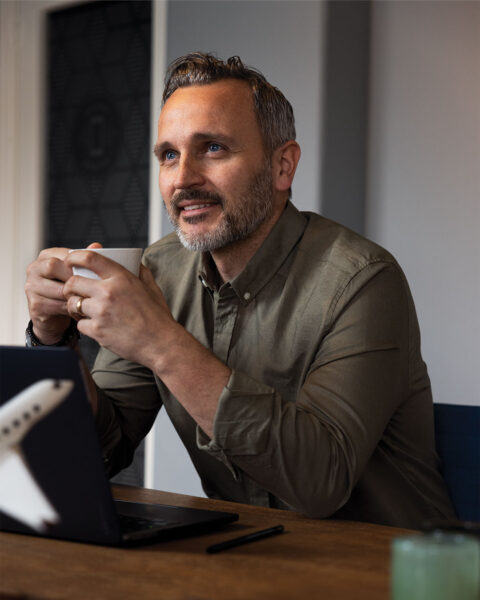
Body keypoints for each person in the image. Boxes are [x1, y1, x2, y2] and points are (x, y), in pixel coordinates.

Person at [25, 52, 455, 528]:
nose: (183, 178)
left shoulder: (364, 281)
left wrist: (161, 342)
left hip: (387, 567)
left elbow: (320, 480)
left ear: (282, 167)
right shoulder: (160, 272)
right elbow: (100, 452)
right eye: (169, 154)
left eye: (212, 148)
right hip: (247, 554)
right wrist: (50, 341)